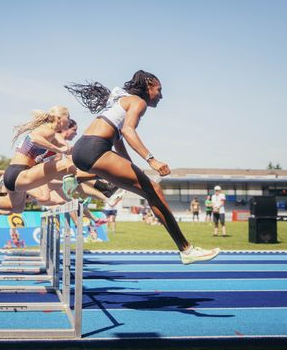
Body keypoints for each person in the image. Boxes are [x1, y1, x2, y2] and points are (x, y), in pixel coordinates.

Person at [65, 70, 219, 264]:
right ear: (148, 87)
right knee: (153, 189)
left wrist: (132, 167)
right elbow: (128, 131)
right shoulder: (138, 102)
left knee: (141, 186)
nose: (161, 95)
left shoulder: (121, 102)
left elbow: (119, 141)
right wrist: (151, 160)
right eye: (159, 90)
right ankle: (186, 249)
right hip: (95, 149)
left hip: (83, 149)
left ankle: (77, 178)